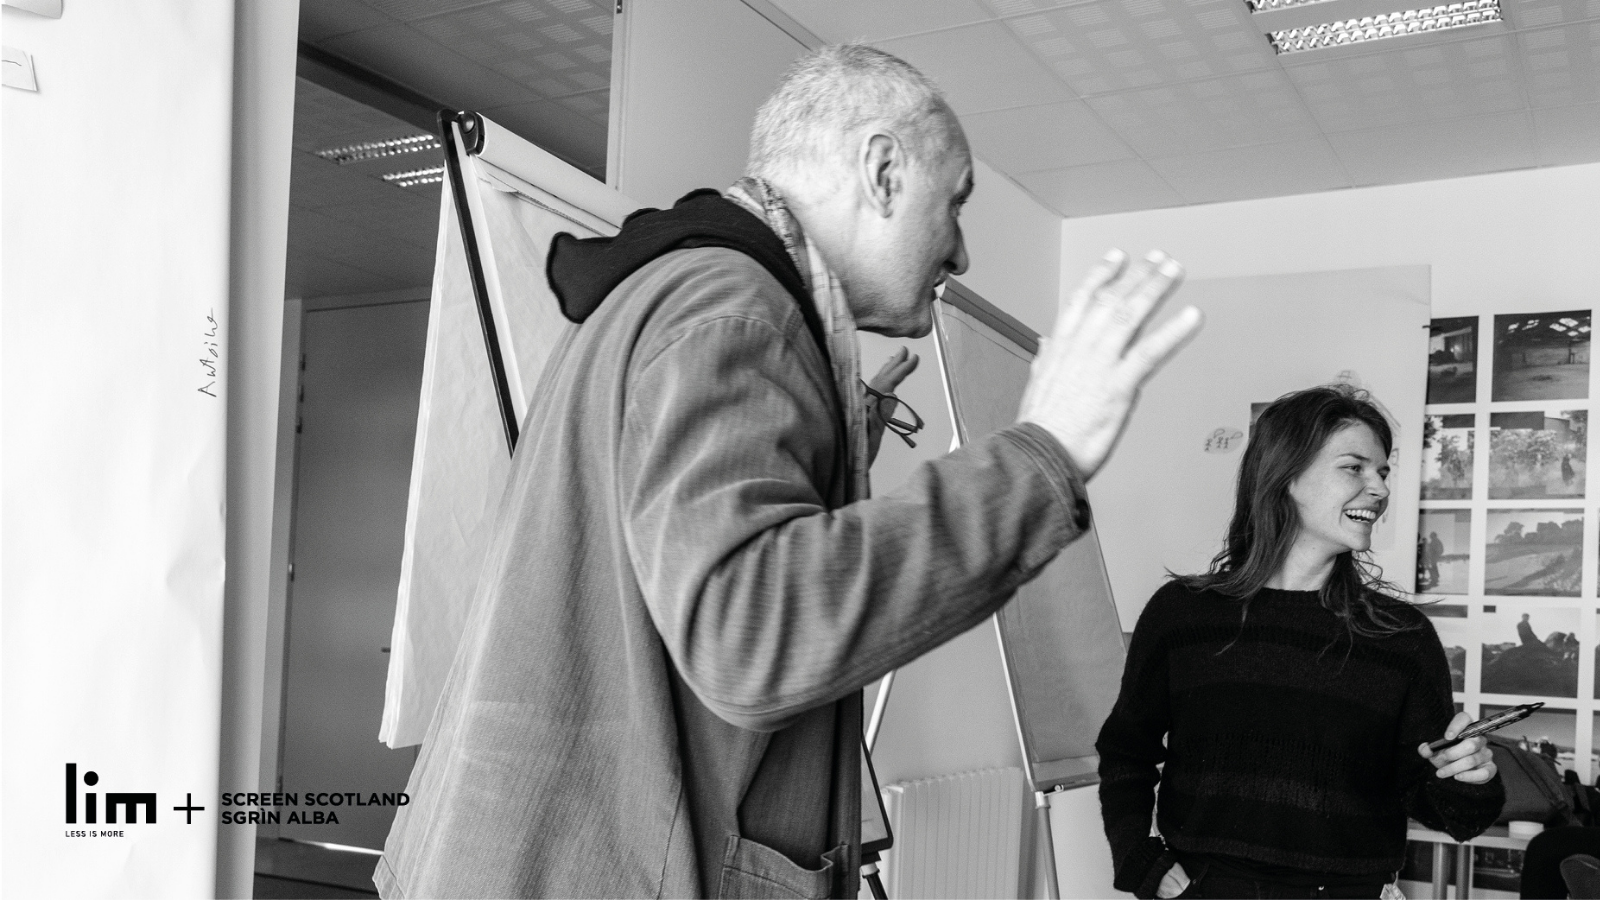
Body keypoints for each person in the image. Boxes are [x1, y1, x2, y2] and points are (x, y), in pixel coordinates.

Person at [375, 45, 1203, 900]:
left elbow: (681, 561)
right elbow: (751, 635)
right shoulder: (735, 312)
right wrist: (1043, 457)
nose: (959, 252)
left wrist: (838, 452)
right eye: (953, 203)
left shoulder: (681, 297)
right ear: (882, 171)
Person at [1097, 385, 1504, 900]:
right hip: (1206, 888)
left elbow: (1445, 810)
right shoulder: (1182, 615)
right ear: (1286, 475)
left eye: (1382, 472)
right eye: (1354, 467)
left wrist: (1468, 777)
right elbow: (1124, 750)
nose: (1378, 489)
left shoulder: (1400, 638)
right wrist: (1140, 860)